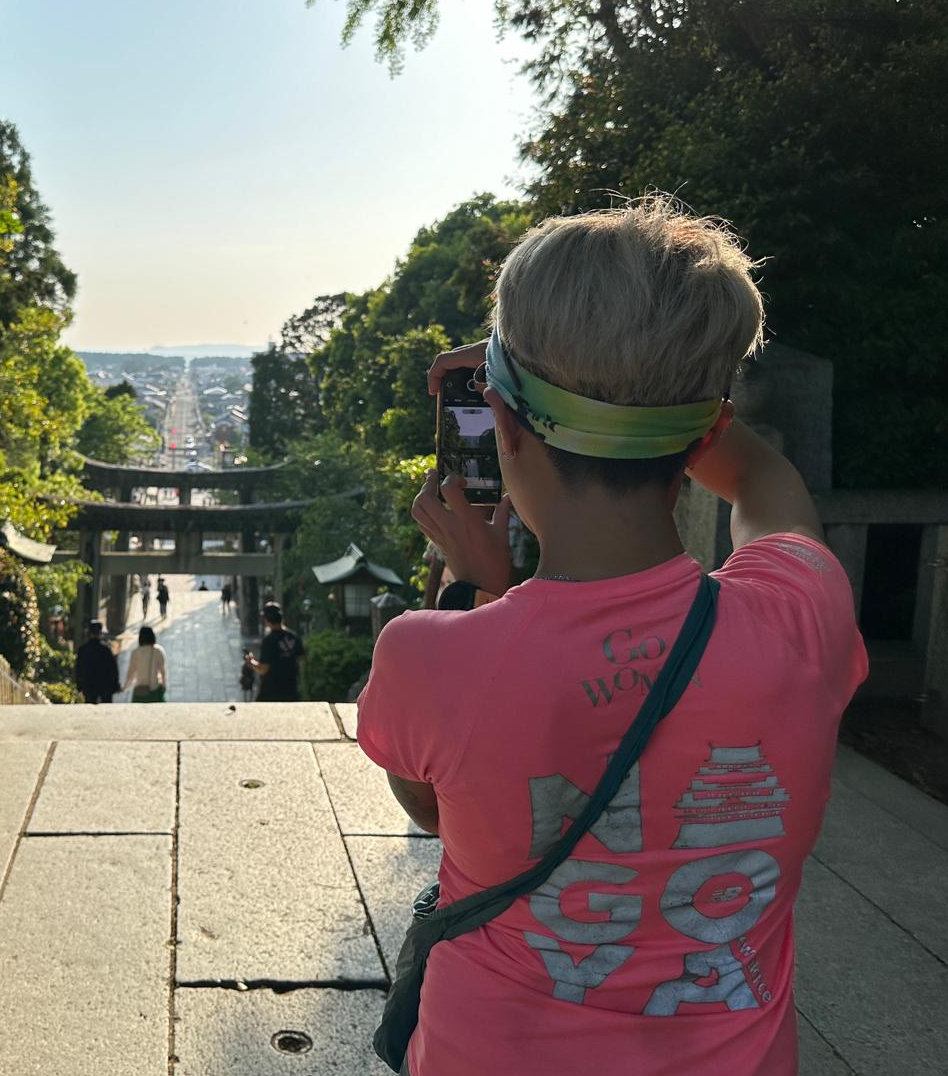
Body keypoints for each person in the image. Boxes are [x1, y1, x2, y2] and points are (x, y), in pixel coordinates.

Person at [356, 198, 867, 1076]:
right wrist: (649, 399)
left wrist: (483, 588)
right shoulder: (800, 612)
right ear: (704, 427)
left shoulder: (428, 654)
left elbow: (443, 810)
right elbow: (759, 474)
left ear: (503, 424)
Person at [244, 601, 305, 702]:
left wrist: (251, 661)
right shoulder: (293, 636)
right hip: (291, 688)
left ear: (267, 620)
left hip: (272, 691)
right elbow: (301, 658)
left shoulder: (269, 641)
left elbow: (263, 669)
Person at [72, 619, 120, 706]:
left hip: (89, 685)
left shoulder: (83, 650)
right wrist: (115, 685)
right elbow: (113, 669)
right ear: (100, 634)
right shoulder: (106, 650)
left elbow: (79, 669)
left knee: (90, 708)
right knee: (106, 709)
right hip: (105, 685)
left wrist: (79, 686)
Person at [120, 625, 168, 702]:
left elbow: (131, 672)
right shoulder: (158, 651)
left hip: (139, 690)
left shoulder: (135, 652)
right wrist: (164, 684)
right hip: (154, 689)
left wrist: (125, 687)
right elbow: (163, 671)